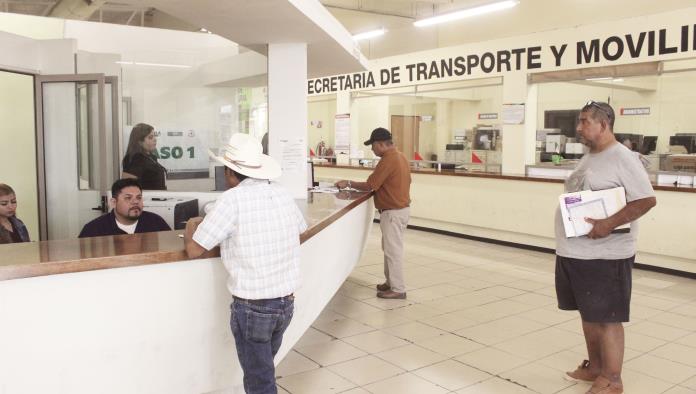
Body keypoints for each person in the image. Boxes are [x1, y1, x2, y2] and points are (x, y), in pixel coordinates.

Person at [183, 133, 307, 394]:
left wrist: (191, 224)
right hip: (286, 304)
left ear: (230, 173)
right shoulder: (282, 194)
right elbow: (300, 228)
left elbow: (194, 249)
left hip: (254, 308)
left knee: (259, 381)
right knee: (263, 371)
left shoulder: (231, 200)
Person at [555, 101, 656, 394]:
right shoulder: (591, 156)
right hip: (576, 252)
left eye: (585, 121)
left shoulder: (622, 157)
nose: (578, 127)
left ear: (604, 124)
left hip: (605, 256)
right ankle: (596, 368)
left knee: (607, 317)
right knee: (589, 314)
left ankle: (612, 380)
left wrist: (608, 224)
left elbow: (646, 200)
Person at [335, 127, 411, 299]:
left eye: (373, 145)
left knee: (393, 251)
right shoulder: (400, 156)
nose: (372, 149)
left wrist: (347, 182)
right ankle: (390, 282)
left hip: (394, 212)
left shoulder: (389, 160)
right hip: (399, 210)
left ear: (381, 144)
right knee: (390, 248)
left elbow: (371, 185)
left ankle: (398, 289)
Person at [79, 178, 171, 238]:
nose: (135, 202)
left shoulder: (156, 222)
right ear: (114, 203)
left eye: (139, 197)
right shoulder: (93, 229)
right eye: (128, 198)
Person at [122, 123, 167, 190]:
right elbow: (128, 188)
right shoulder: (134, 159)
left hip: (158, 198)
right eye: (150, 137)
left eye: (154, 136)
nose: (155, 139)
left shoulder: (151, 157)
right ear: (139, 141)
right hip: (147, 199)